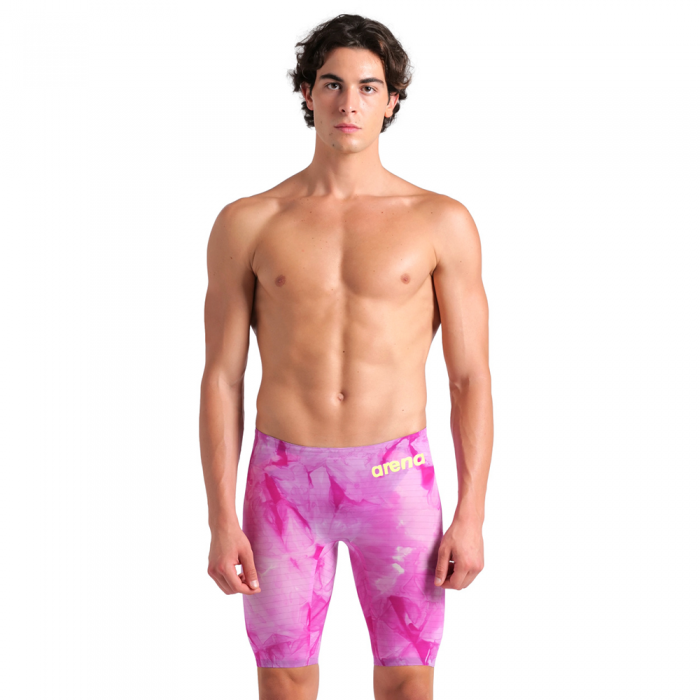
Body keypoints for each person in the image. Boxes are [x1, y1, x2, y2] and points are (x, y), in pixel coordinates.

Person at [199, 13, 493, 700]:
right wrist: (219, 517)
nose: (349, 103)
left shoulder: (439, 221)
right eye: (332, 84)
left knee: (407, 679)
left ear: (392, 100)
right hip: (282, 483)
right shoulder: (249, 221)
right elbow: (221, 377)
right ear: (307, 93)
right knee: (285, 679)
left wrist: (472, 514)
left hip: (397, 478)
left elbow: (470, 377)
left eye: (368, 87)